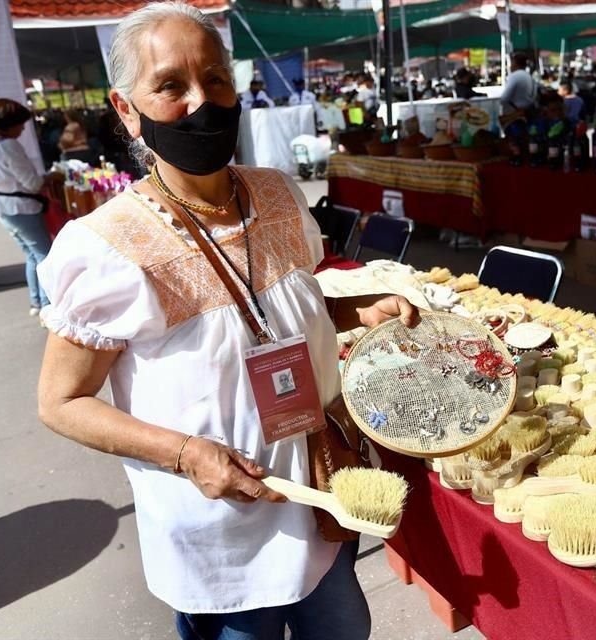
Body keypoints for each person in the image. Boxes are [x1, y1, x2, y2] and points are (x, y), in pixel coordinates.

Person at [34, 4, 420, 639]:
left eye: (214, 79)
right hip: (224, 532)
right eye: (169, 86)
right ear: (126, 109)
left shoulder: (276, 193)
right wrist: (186, 454)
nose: (201, 103)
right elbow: (62, 401)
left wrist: (353, 311)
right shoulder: (103, 246)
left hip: (324, 497)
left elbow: (276, 313)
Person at [0, 98, 52, 315]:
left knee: (31, 255)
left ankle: (36, 301)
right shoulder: (8, 145)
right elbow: (33, 183)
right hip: (21, 207)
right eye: (20, 124)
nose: (22, 129)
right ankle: (48, 305)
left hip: (3, 207)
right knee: (44, 256)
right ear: (11, 124)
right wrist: (49, 178)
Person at [499, 52, 536, 117]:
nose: (509, 66)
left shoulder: (515, 76)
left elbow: (504, 98)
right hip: (528, 111)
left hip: (515, 114)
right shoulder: (529, 76)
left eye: (511, 63)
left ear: (515, 63)